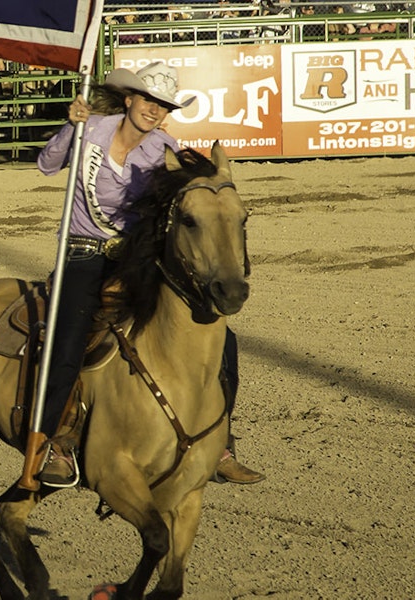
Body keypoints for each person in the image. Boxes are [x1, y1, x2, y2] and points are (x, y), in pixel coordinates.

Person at [33, 62, 264, 488]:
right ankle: (55, 444)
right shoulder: (91, 130)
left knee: (220, 337)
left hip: (134, 259)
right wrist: (70, 128)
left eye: (163, 106)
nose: (155, 112)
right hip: (84, 254)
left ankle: (222, 443)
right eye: (149, 101)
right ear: (129, 99)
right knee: (68, 339)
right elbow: (47, 166)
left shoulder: (163, 149)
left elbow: (185, 193)